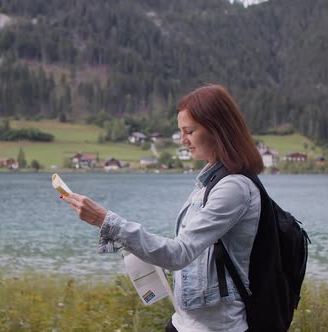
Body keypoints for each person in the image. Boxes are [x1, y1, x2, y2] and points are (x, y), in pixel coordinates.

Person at [61, 84, 264, 332]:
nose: (182, 140)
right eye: (180, 131)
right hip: (183, 323)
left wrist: (106, 220)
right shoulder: (209, 183)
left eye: (189, 131)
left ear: (217, 129)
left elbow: (178, 253)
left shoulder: (233, 188)